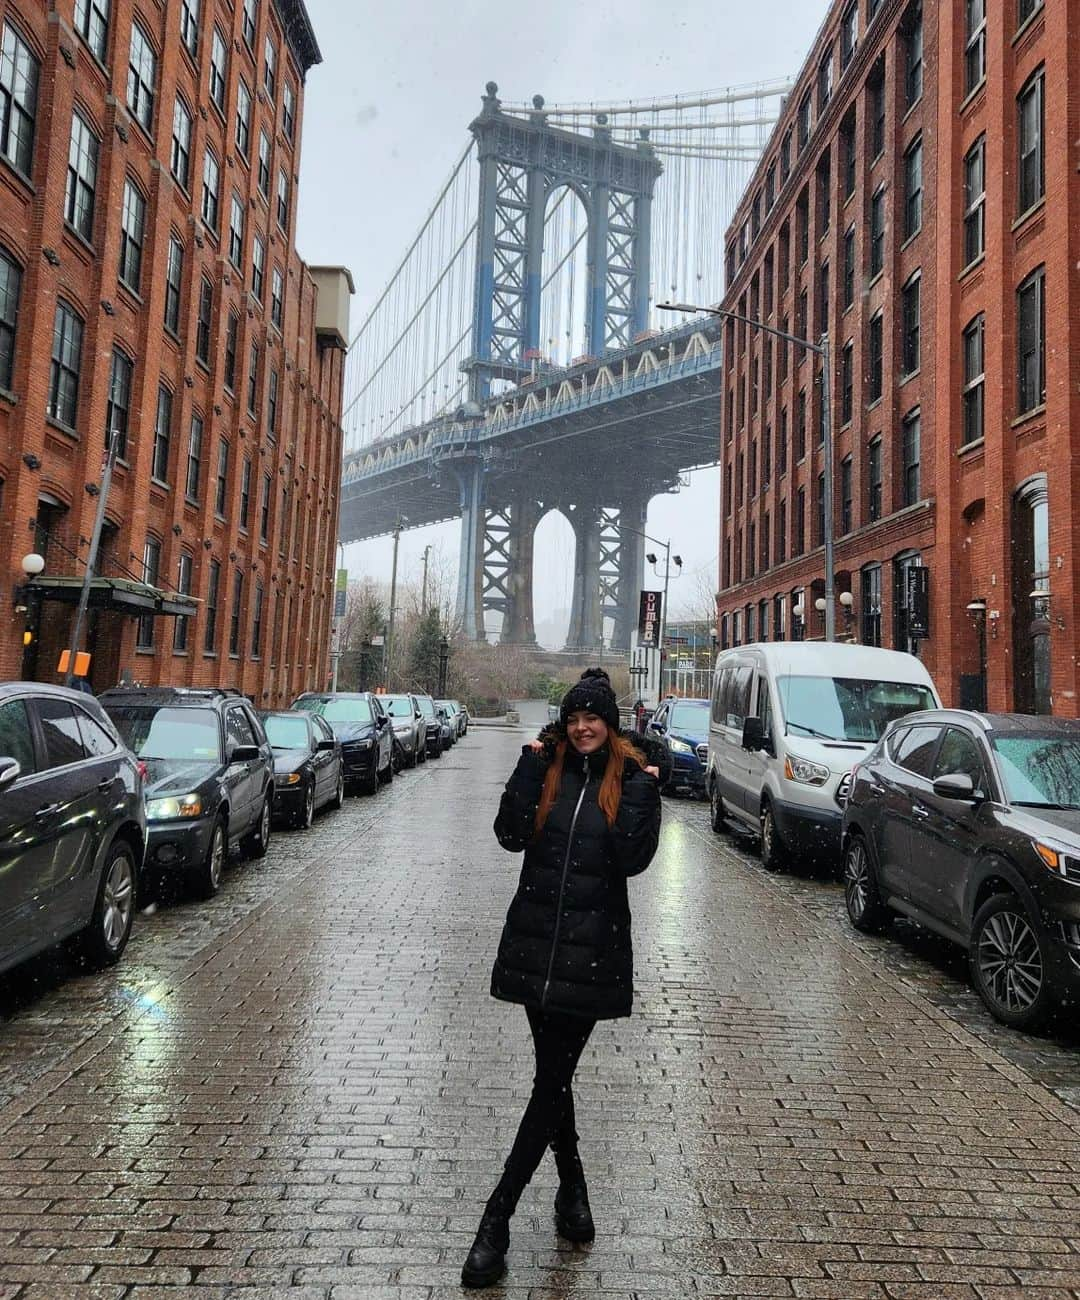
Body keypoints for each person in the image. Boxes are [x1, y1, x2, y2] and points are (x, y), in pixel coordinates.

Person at [462, 667, 662, 1288]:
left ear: (610, 723)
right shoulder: (545, 771)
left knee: (551, 1082)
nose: (582, 727)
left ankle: (496, 1219)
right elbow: (509, 835)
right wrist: (527, 768)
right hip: (534, 948)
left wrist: (647, 792)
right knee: (555, 1081)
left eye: (593, 717)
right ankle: (572, 1191)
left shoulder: (628, 780)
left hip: (589, 955)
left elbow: (632, 859)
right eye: (574, 718)